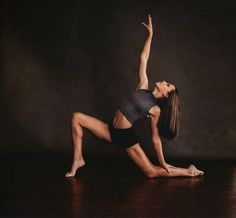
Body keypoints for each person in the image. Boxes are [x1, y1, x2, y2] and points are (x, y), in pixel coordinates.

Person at [65, 14, 204, 178]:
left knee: (151, 172)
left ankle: (188, 171)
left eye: (167, 84)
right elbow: (143, 58)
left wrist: (163, 161)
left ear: (166, 94)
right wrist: (150, 35)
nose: (165, 81)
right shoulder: (143, 87)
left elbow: (155, 139)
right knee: (76, 118)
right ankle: (78, 159)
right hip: (111, 130)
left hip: (125, 136)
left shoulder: (156, 110)